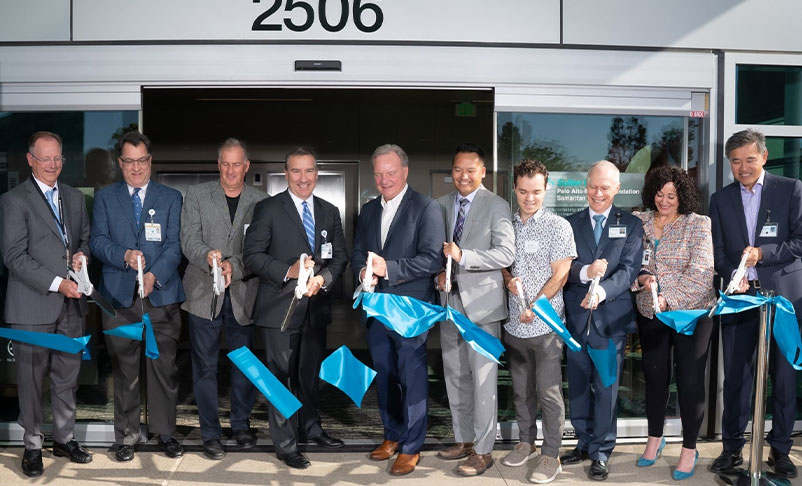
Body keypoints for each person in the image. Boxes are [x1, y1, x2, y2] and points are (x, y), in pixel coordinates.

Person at [243, 147, 348, 469]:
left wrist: (325, 277)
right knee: (280, 377)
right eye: (296, 172)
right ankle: (287, 445)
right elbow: (252, 255)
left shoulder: (329, 211)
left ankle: (311, 429)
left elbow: (340, 256)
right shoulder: (268, 209)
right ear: (286, 174)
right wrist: (286, 271)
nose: (304, 178)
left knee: (308, 374)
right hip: (279, 309)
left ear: (317, 174)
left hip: (316, 307)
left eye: (309, 171)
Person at [709, 129, 801, 479]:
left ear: (763, 157)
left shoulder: (791, 189)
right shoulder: (721, 199)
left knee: (785, 378)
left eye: (749, 159)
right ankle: (732, 448)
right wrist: (735, 272)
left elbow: (800, 241)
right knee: (736, 377)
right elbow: (716, 252)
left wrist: (762, 255)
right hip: (740, 299)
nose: (743, 167)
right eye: (736, 161)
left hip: (784, 299)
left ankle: (779, 451)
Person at [0, 131, 93, 477]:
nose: (53, 165)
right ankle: (33, 446)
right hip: (33, 304)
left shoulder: (73, 197)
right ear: (30, 160)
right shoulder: (14, 201)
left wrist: (83, 254)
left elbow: (83, 238)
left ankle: (64, 439)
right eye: (45, 159)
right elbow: (14, 256)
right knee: (30, 378)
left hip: (71, 307)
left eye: (58, 159)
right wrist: (59, 284)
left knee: (67, 377)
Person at [89, 130, 185, 462]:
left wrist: (153, 274)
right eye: (128, 161)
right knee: (125, 370)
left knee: (163, 369)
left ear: (150, 160)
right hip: (118, 299)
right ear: (120, 163)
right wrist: (124, 255)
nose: (135, 168)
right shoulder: (105, 198)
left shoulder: (171, 197)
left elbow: (175, 245)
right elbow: (98, 241)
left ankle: (165, 433)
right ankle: (127, 436)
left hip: (161, 297)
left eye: (141, 160)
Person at [351, 143, 444, 476]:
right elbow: (357, 252)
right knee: (386, 374)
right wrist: (364, 272)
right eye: (378, 173)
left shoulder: (426, 207)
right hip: (376, 307)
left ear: (405, 171)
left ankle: (412, 446)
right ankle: (392, 435)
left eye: (390, 172)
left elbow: (432, 259)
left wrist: (387, 269)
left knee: (413, 377)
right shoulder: (368, 210)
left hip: (411, 310)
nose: (384, 179)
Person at [180, 138, 267, 459]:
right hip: (204, 293)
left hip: (244, 294)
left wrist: (236, 265)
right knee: (204, 367)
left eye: (237, 164)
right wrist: (210, 257)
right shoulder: (197, 195)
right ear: (219, 165)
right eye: (225, 164)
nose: (231, 171)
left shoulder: (262, 202)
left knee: (243, 364)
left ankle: (241, 425)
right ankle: (210, 433)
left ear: (247, 167)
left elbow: (260, 250)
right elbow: (188, 239)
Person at [434, 143, 514, 476]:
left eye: (471, 170)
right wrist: (439, 273)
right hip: (449, 305)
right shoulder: (439, 206)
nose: (463, 176)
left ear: (483, 172)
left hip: (482, 309)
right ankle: (464, 439)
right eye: (457, 169)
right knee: (455, 377)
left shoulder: (497, 205)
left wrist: (464, 256)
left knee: (483, 382)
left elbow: (505, 254)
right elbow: (434, 252)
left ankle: (483, 450)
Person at [560, 160, 643, 481]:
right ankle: (582, 442)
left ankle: (602, 451)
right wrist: (584, 272)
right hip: (576, 319)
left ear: (617, 189)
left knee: (606, 386)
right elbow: (566, 266)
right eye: (593, 186)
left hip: (609, 320)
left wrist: (601, 292)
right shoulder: (569, 223)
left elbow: (628, 270)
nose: (598, 193)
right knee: (578, 384)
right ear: (586, 186)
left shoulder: (631, 224)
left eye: (605, 188)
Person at [632, 166, 715, 480]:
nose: (664, 201)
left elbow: (702, 275)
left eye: (672, 195)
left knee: (690, 382)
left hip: (690, 315)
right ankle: (655, 438)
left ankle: (689, 448)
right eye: (659, 193)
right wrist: (640, 279)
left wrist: (669, 298)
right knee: (654, 379)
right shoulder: (639, 221)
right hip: (650, 313)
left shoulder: (698, 224)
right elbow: (629, 262)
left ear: (683, 196)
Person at [501, 159, 576, 484]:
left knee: (548, 393)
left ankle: (550, 455)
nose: (529, 198)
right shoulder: (506, 224)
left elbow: (561, 274)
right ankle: (526, 442)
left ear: (546, 189)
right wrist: (507, 279)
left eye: (535, 191)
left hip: (545, 326)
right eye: (522, 191)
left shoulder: (558, 226)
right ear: (514, 189)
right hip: (514, 326)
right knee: (520, 391)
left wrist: (535, 304)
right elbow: (501, 261)